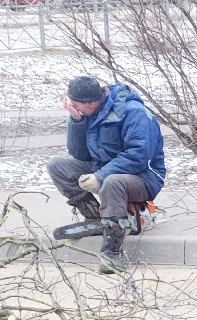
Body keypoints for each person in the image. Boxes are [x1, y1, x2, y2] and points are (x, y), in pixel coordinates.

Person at [47, 75, 165, 273]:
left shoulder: (132, 112)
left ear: (91, 103)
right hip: (105, 170)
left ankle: (112, 251)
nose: (72, 107)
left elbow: (139, 156)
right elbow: (79, 154)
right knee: (57, 166)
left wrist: (101, 175)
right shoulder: (89, 114)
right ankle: (97, 217)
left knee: (111, 182)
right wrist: (76, 121)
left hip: (144, 176)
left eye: (75, 105)